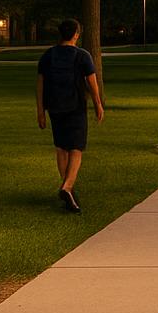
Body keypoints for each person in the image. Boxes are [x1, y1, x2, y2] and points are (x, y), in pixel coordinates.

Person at [35, 19, 104, 213]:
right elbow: (92, 82)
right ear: (76, 34)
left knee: (61, 148)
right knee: (76, 148)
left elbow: (40, 84)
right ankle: (67, 187)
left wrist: (40, 110)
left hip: (54, 107)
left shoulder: (48, 55)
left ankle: (68, 189)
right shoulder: (82, 56)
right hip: (75, 107)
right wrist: (98, 104)